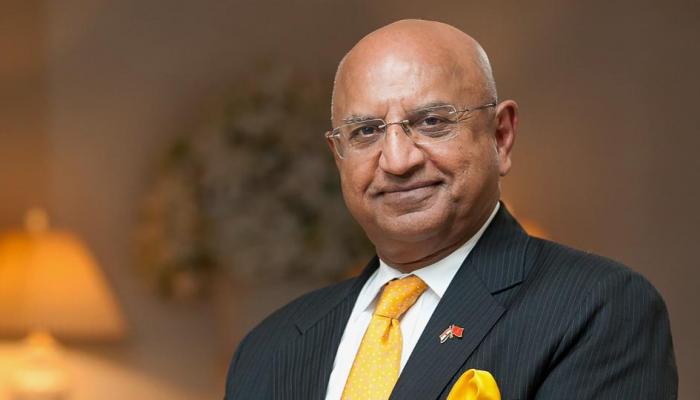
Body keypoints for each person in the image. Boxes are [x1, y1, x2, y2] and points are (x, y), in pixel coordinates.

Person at [224, 19, 677, 399]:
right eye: (366, 131)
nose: (397, 161)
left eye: (431, 122)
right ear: (338, 156)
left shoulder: (596, 309)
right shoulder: (268, 349)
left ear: (501, 136)